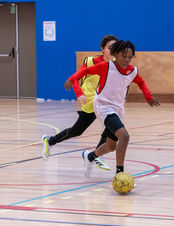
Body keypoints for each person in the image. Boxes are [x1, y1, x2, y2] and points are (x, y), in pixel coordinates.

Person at [64, 40, 160, 177]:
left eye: (130, 57)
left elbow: (141, 82)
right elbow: (85, 71)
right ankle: (120, 174)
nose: (127, 60)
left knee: (110, 146)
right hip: (103, 107)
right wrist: (71, 80)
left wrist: (148, 97)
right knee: (124, 136)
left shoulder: (132, 71)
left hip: (118, 109)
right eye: (124, 56)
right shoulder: (106, 66)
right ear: (115, 54)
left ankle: (90, 157)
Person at [42, 35, 119, 171]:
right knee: (76, 131)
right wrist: (79, 93)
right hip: (89, 102)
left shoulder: (115, 65)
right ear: (102, 49)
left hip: (102, 102)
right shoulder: (90, 62)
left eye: (115, 48)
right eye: (109, 48)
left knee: (112, 125)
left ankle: (97, 154)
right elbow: (75, 79)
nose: (112, 51)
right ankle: (50, 141)